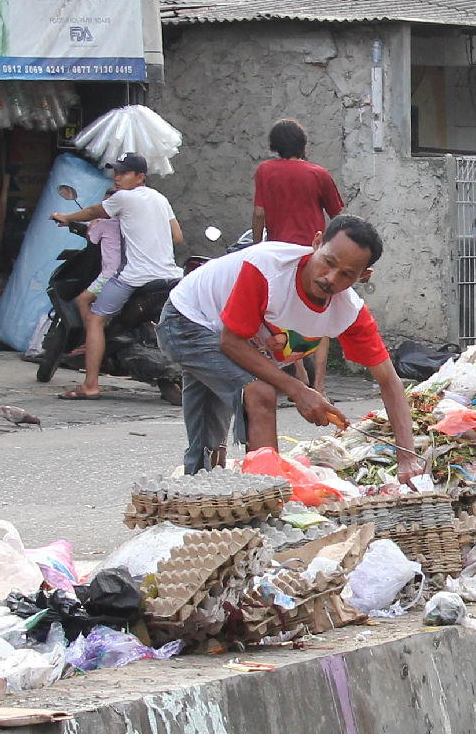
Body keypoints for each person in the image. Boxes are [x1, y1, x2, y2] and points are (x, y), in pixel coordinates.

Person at [160, 215, 420, 477]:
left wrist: (407, 459)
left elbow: (389, 381)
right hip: (186, 318)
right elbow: (231, 342)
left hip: (224, 333)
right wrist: (298, 390)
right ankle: (268, 492)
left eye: (346, 274)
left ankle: (203, 484)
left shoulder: (349, 312)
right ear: (317, 243)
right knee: (259, 393)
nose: (330, 278)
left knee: (207, 450)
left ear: (363, 276)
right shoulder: (268, 268)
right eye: (328, 262)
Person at [52, 153, 180, 400]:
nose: (117, 178)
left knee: (95, 320)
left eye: (124, 173)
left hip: (135, 277)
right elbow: (177, 236)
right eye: (116, 173)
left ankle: (90, 385)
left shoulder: (123, 198)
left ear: (140, 177)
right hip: (169, 277)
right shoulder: (160, 198)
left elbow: (93, 211)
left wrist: (66, 217)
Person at [251, 119, 344, 390]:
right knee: (321, 315)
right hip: (313, 254)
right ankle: (320, 386)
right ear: (303, 144)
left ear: (275, 145)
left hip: (279, 255)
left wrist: (257, 247)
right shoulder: (319, 174)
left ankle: (300, 375)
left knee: (284, 316)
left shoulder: (265, 170)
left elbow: (259, 213)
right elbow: (338, 216)